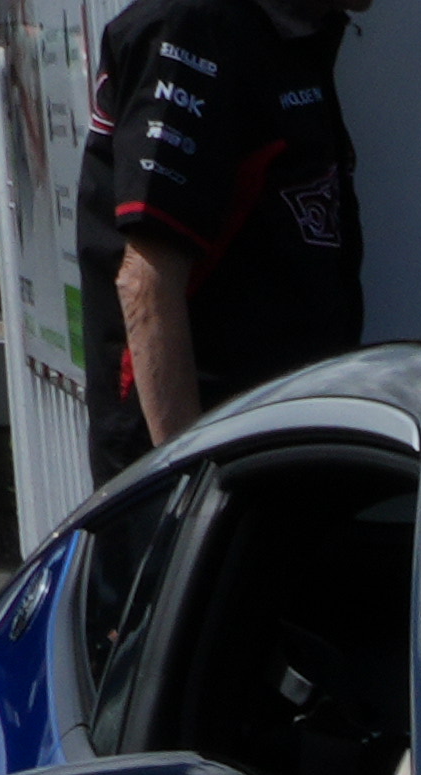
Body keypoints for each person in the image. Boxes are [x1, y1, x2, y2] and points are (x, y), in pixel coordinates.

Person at [73, 0, 371, 485]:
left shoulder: (295, 30)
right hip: (207, 471)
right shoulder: (193, 27)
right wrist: (189, 486)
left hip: (281, 447)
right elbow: (146, 283)